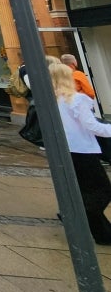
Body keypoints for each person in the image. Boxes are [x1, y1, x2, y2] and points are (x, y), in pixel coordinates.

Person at [48, 56, 111, 245]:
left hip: (66, 151)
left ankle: (102, 233)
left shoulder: (52, 101)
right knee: (103, 191)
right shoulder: (77, 99)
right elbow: (92, 126)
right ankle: (76, 214)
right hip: (83, 150)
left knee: (84, 190)